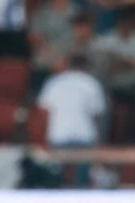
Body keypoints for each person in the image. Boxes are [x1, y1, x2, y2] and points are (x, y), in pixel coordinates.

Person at [36, 52, 107, 187]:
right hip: (84, 135)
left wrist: (44, 137)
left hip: (58, 134)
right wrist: (99, 139)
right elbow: (97, 114)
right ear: (86, 67)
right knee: (81, 181)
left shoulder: (54, 82)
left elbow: (43, 111)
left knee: (58, 179)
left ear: (68, 65)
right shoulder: (91, 83)